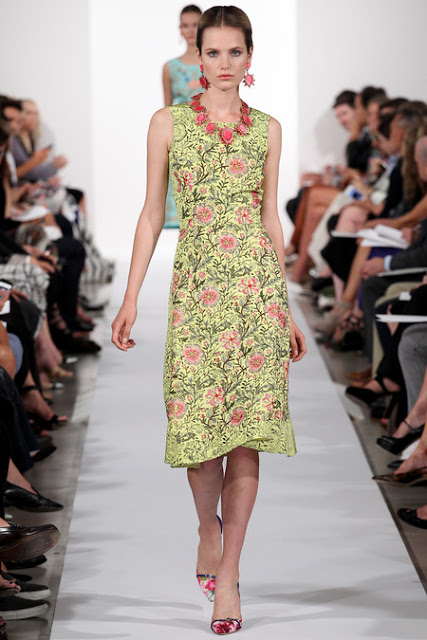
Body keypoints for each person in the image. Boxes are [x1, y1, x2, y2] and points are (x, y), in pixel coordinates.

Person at [112, 5, 306, 634]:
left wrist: (286, 306)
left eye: (234, 52)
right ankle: (206, 530)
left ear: (250, 57)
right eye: (213, 52)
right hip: (196, 293)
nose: (224, 63)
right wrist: (130, 296)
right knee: (199, 440)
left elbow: (270, 218)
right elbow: (151, 213)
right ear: (197, 55)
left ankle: (229, 578)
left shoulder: (268, 129)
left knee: (246, 438)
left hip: (256, 297)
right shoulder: (166, 123)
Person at [162, 4, 202, 229]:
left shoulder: (213, 64)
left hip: (210, 136)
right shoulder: (170, 68)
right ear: (179, 29)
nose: (190, 30)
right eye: (185, 25)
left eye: (195, 25)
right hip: (181, 139)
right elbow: (166, 110)